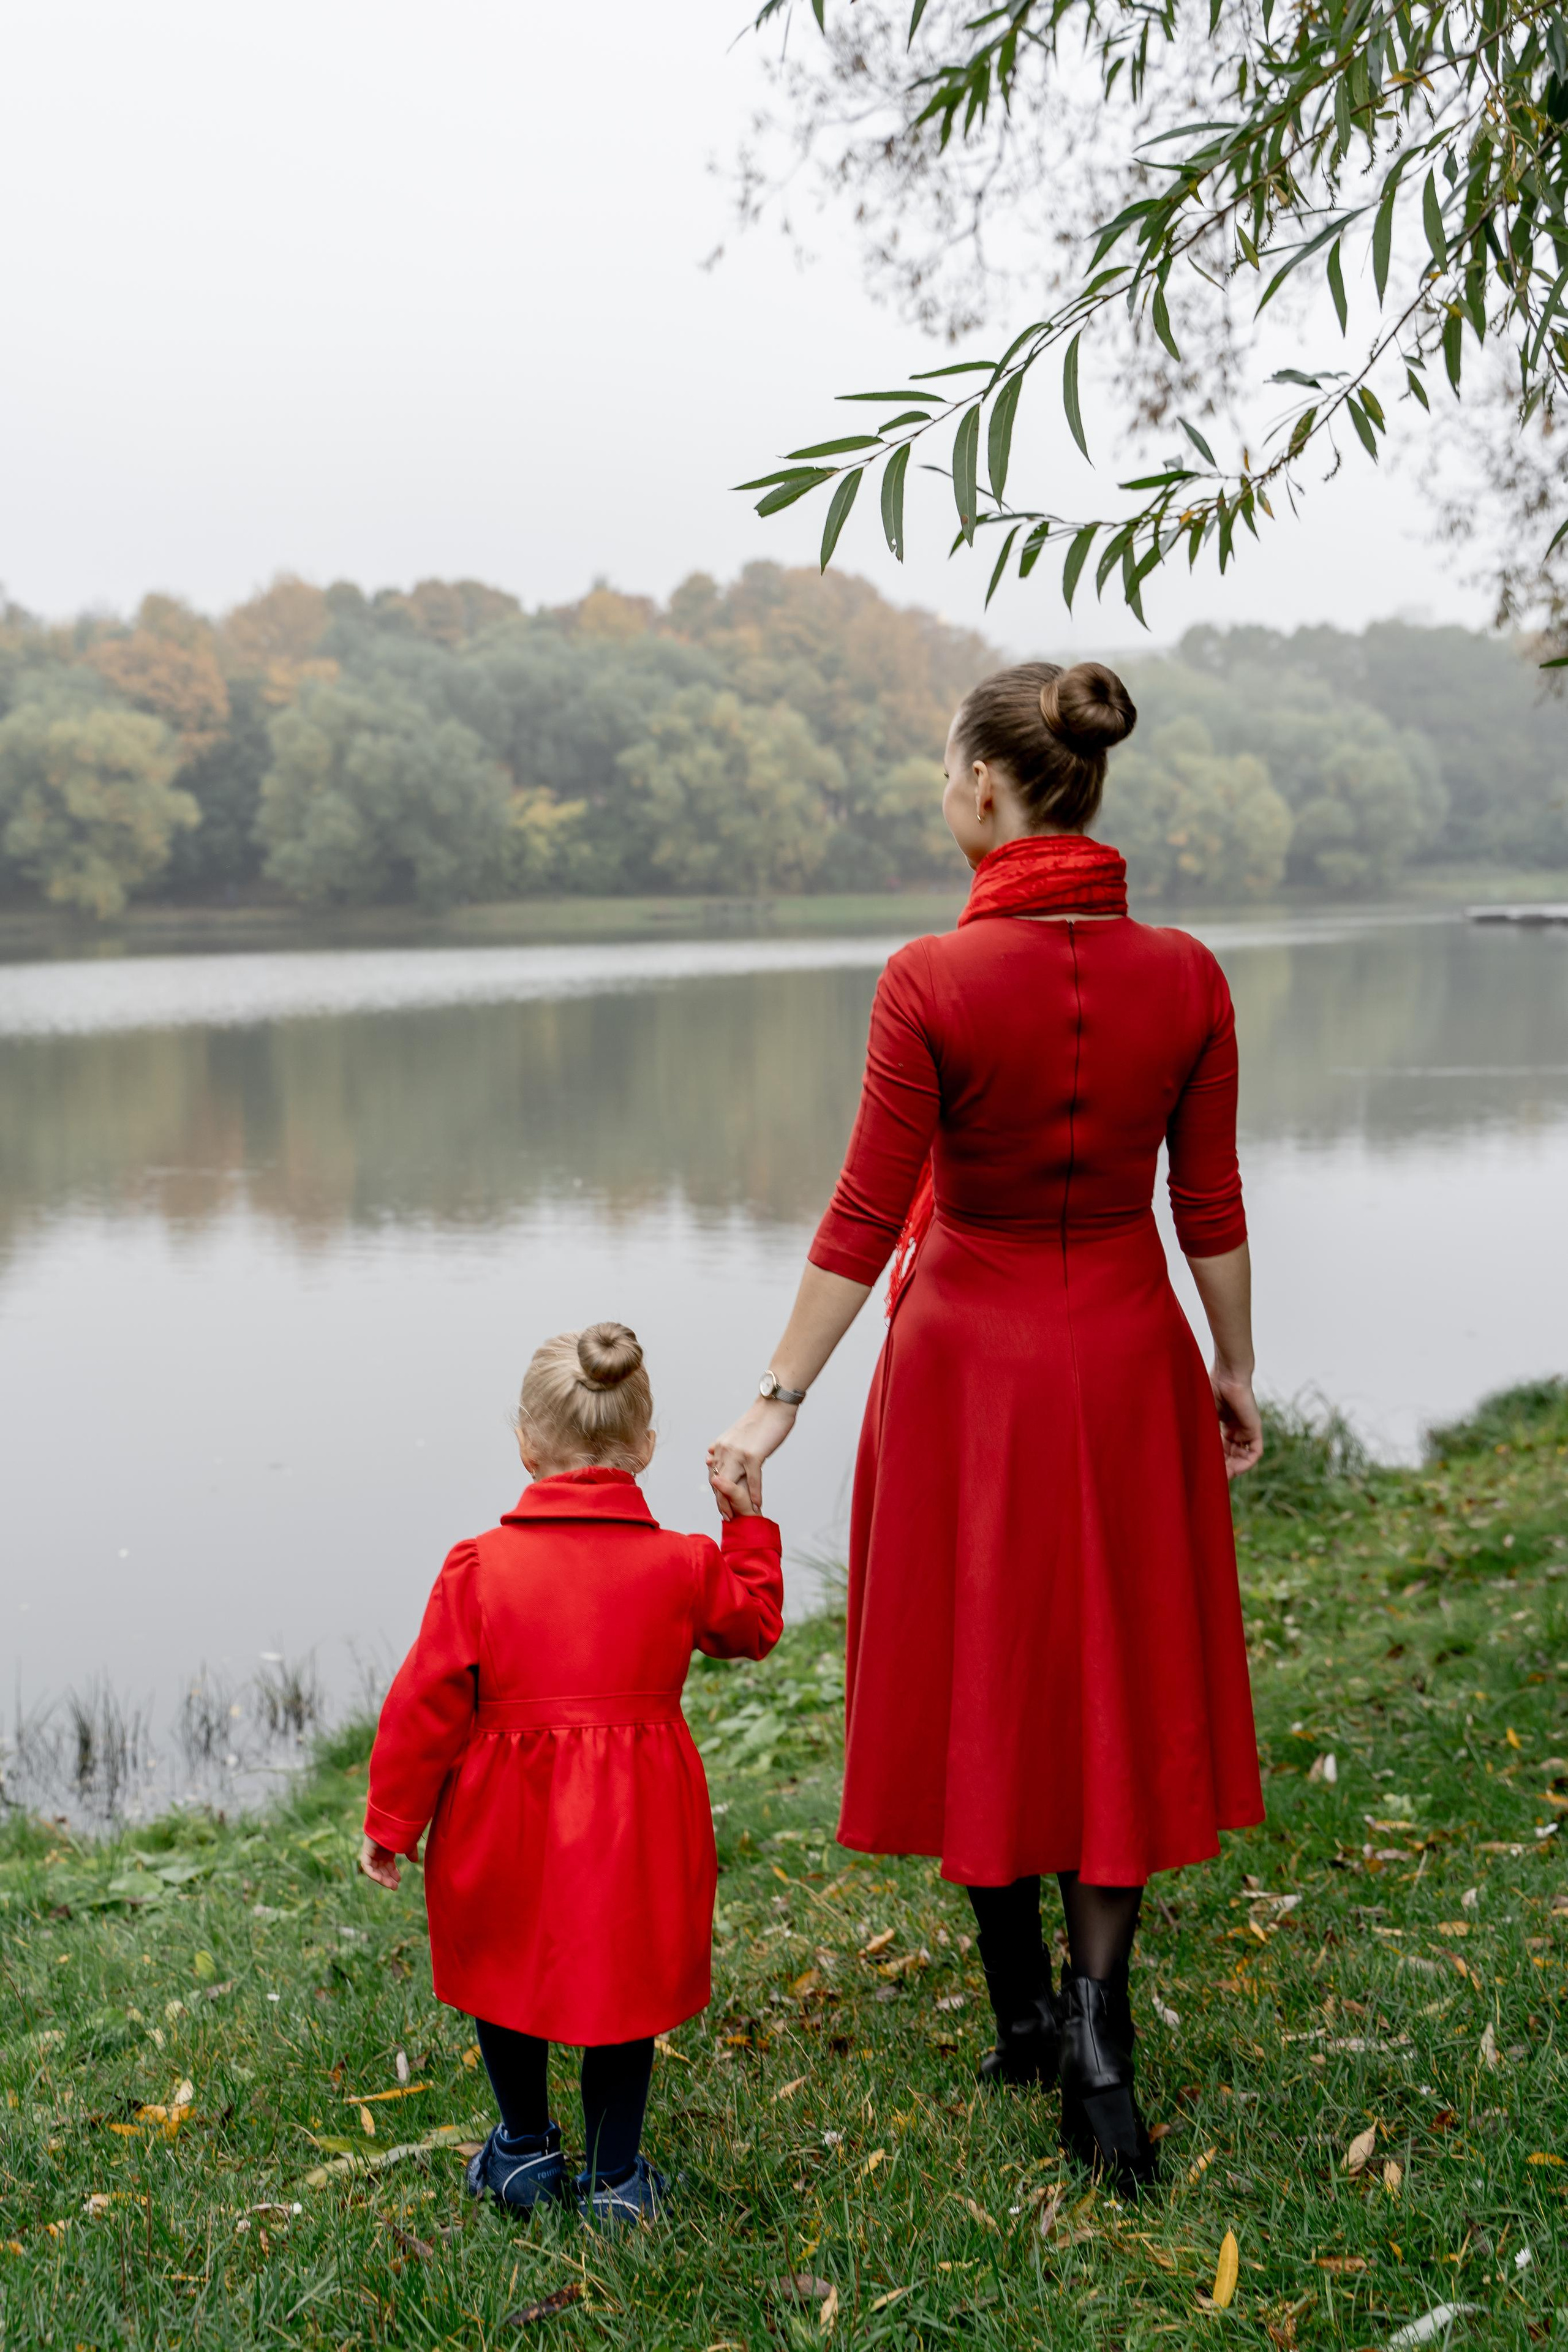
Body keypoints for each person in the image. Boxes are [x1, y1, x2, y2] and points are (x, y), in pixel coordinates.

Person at [707, 660, 1265, 2193]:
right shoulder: (1189, 976)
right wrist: (1230, 1364)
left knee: (989, 1653)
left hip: (965, 1361)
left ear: (980, 788)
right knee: (1109, 1663)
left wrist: (775, 1400)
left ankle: (1018, 2009)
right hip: (1124, 1354)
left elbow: (861, 1212)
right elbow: (1202, 1204)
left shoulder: (928, 981)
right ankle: (1093, 2046)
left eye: (941, 764)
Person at [360, 1321, 782, 2224]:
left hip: (501, 1815)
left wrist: (392, 1823)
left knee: (508, 1970)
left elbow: (424, 1704)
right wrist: (745, 1520)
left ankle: (522, 2152)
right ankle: (619, 2180)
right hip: (640, 1816)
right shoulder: (682, 1563)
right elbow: (752, 1627)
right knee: (624, 1990)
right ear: (648, 1448)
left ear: (524, 1443)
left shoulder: (478, 1567)